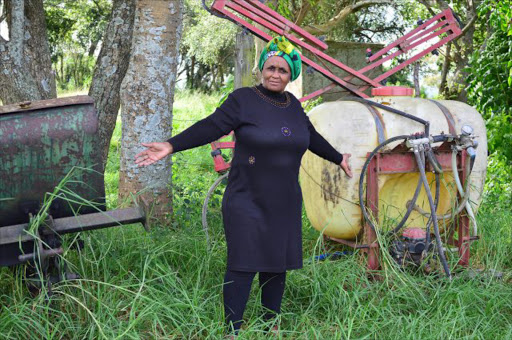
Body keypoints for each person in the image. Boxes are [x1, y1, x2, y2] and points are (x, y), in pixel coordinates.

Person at [135, 36, 352, 336]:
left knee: (277, 264)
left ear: (291, 75)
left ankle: (269, 326)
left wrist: (339, 158)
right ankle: (232, 330)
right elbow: (211, 126)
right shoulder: (244, 100)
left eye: (283, 70)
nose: (275, 74)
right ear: (262, 69)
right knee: (243, 263)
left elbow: (311, 136)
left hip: (285, 200)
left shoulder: (294, 107)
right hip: (246, 199)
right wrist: (171, 146)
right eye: (271, 67)